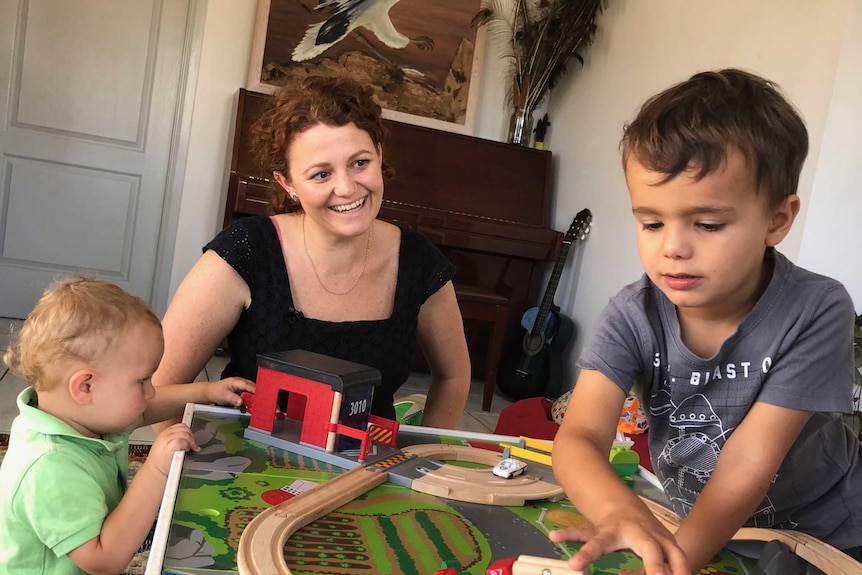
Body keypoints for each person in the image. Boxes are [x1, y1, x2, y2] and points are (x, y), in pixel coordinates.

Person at [549, 68, 862, 575]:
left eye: (709, 224)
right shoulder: (632, 314)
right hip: (708, 532)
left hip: (827, 537)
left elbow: (746, 465)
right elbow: (581, 435)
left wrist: (673, 563)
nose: (672, 247)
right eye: (651, 222)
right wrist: (620, 513)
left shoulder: (816, 308)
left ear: (777, 221)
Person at [151, 75, 471, 432]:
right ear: (287, 183)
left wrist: (421, 455)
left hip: (369, 468)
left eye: (360, 162)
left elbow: (454, 377)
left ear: (379, 155)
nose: (347, 187)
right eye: (321, 174)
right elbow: (162, 390)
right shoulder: (246, 251)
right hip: (246, 467)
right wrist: (181, 462)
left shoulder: (419, 261)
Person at [0, 277, 255, 575]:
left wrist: (205, 392)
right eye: (142, 380)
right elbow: (104, 561)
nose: (150, 391)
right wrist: (155, 469)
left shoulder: (77, 414)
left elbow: (144, 410)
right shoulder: (49, 468)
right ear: (86, 386)